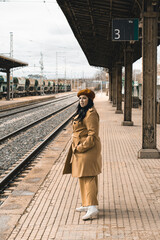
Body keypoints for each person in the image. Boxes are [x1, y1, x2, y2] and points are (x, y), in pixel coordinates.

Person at [63, 88, 102, 220]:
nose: (82, 101)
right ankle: (87, 204)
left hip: (87, 150)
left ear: (90, 100)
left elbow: (92, 135)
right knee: (83, 177)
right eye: (80, 98)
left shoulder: (91, 113)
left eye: (84, 98)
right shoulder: (83, 112)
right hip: (81, 150)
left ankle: (92, 207)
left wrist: (80, 147)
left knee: (89, 177)